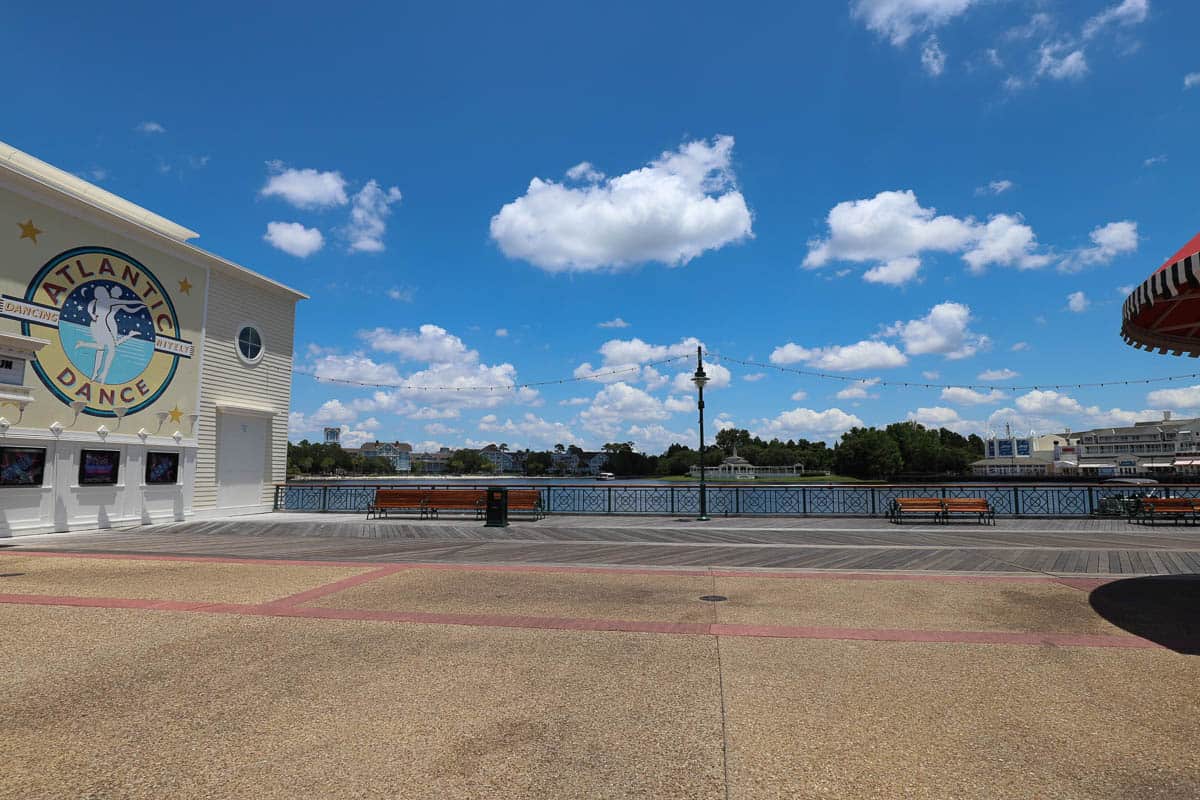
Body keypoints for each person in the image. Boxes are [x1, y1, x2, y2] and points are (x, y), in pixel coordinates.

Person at [74, 285, 147, 384]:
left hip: (94, 325)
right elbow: (127, 303)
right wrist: (140, 303)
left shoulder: (93, 302)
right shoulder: (109, 301)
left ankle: (95, 372)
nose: (109, 292)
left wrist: (93, 316)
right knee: (111, 348)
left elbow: (89, 311)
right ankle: (102, 372)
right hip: (105, 325)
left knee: (101, 348)